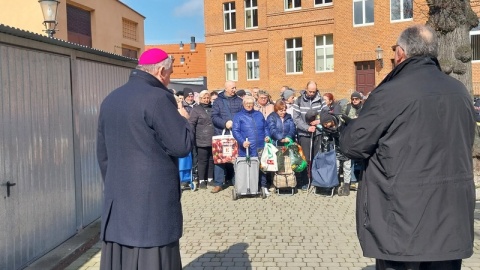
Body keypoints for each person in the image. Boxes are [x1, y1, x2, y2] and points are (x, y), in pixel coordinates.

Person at [340, 24, 475, 270]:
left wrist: (347, 127)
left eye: (393, 51)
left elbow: (352, 145)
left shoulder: (392, 92)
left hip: (402, 221)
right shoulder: (460, 91)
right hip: (450, 221)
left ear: (401, 53)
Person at [96, 48, 194, 270]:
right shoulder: (159, 98)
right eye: (169, 74)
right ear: (161, 71)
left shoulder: (111, 98)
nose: (169, 80)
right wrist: (185, 120)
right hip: (152, 210)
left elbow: (103, 154)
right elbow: (181, 145)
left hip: (119, 205)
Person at [232, 95, 271, 195]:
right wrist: (242, 142)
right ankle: (246, 187)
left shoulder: (259, 114)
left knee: (262, 167)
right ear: (243, 104)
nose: (249, 105)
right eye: (247, 103)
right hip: (247, 147)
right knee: (248, 167)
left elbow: (266, 127)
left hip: (260, 145)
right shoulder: (238, 116)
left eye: (251, 104)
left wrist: (267, 136)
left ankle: (263, 186)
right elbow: (235, 131)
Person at [210, 81, 243, 193]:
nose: (234, 89)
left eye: (235, 87)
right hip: (221, 133)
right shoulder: (218, 102)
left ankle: (236, 181)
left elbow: (242, 115)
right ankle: (218, 183)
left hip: (236, 133)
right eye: (232, 88)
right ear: (226, 88)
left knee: (235, 157)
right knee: (220, 159)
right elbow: (214, 117)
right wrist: (225, 123)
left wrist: (236, 124)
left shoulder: (239, 101)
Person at [292, 81, 325, 191]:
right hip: (304, 134)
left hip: (318, 133)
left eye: (313, 91)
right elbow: (296, 118)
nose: (311, 93)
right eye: (310, 91)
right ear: (306, 89)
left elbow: (327, 114)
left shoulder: (321, 100)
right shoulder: (299, 100)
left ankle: (316, 181)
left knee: (317, 158)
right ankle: (305, 181)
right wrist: (307, 128)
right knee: (306, 159)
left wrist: (319, 121)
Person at [189, 90, 215, 189]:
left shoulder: (212, 108)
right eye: (204, 98)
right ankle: (201, 180)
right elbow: (191, 123)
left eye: (208, 98)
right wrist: (192, 135)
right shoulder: (196, 109)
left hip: (212, 139)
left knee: (212, 160)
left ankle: (210, 179)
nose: (206, 100)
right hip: (201, 139)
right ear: (200, 99)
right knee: (202, 160)